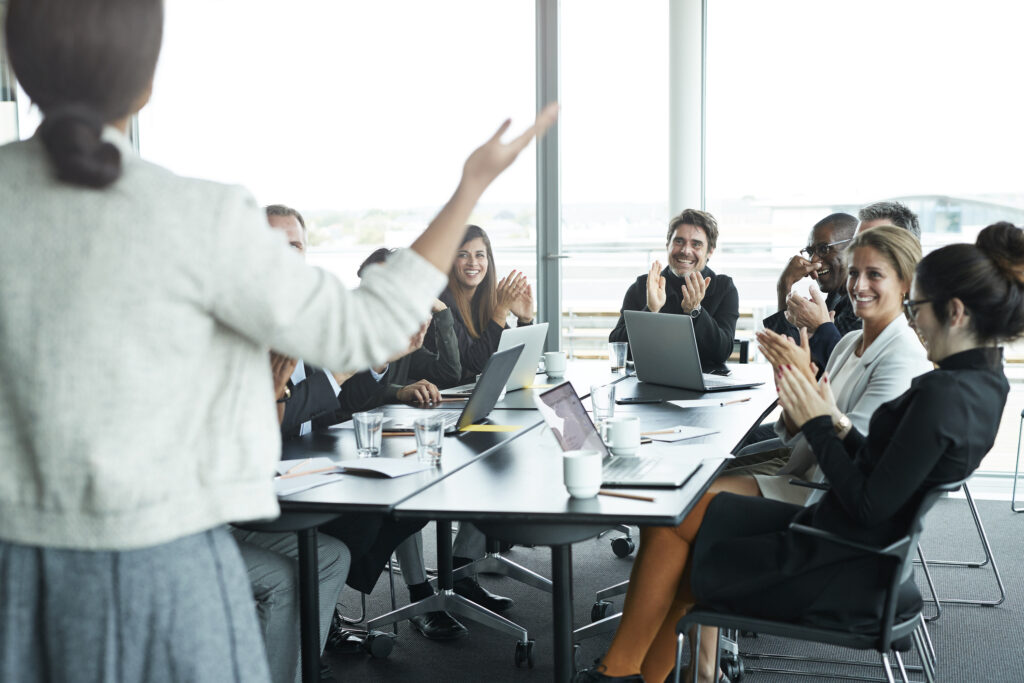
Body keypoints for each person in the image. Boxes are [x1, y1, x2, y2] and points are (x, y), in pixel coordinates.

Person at [0, 1, 558, 680]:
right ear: (146, 84)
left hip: (16, 571)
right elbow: (368, 326)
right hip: (163, 569)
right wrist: (471, 185)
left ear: (16, 65)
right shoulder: (199, 214)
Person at [576, 221, 1023, 683]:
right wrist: (823, 414)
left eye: (917, 306)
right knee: (675, 522)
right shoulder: (984, 386)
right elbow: (880, 469)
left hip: (840, 565)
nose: (915, 319)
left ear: (954, 312)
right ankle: (627, 672)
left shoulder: (940, 393)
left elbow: (867, 504)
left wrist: (818, 419)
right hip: (852, 545)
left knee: (675, 541)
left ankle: (620, 673)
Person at [794, 201, 922, 369]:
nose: (859, 286)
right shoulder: (849, 335)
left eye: (876, 242)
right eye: (857, 242)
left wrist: (822, 328)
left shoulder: (908, 351)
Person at [609, 209, 738, 374]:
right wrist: (650, 312)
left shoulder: (723, 287)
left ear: (710, 251)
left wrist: (695, 311)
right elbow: (618, 347)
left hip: (705, 387)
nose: (685, 250)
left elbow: (721, 353)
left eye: (696, 244)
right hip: (652, 382)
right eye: (679, 241)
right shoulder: (644, 285)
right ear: (667, 246)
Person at [428, 224, 534, 385]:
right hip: (443, 399)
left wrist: (525, 321)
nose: (473, 262)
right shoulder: (441, 304)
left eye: (480, 255)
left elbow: (514, 361)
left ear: (488, 261)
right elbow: (476, 364)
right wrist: (501, 310)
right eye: (463, 255)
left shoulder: (484, 301)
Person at [761, 213, 859, 368]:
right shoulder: (835, 297)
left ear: (854, 248)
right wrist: (784, 286)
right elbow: (792, 360)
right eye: (810, 251)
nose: (813, 260)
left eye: (823, 249)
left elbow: (800, 365)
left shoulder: (858, 304)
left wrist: (819, 327)